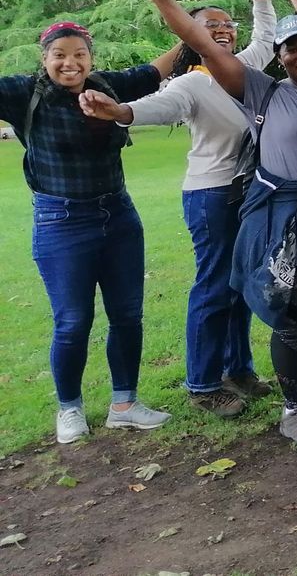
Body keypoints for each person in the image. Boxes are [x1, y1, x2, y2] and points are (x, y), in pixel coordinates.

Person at [139, 0, 297, 447]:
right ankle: (295, 408)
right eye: (292, 48)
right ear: (278, 55)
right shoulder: (261, 90)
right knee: (293, 319)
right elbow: (203, 43)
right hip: (288, 226)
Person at [80, 0, 288, 419]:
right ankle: (203, 383)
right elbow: (158, 107)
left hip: (245, 194)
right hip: (211, 196)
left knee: (240, 285)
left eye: (227, 24)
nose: (223, 30)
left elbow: (266, 37)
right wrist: (119, 110)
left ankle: (238, 370)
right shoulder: (193, 82)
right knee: (214, 287)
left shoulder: (244, 69)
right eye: (210, 26)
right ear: (192, 35)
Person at [0, 22, 180, 443]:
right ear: (44, 59)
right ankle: (69, 408)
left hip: (119, 216)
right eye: (60, 55)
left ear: (90, 58)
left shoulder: (107, 86)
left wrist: (192, 31)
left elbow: (154, 71)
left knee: (127, 315)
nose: (70, 63)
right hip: (60, 222)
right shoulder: (23, 92)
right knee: (72, 321)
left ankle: (125, 405)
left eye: (79, 54)